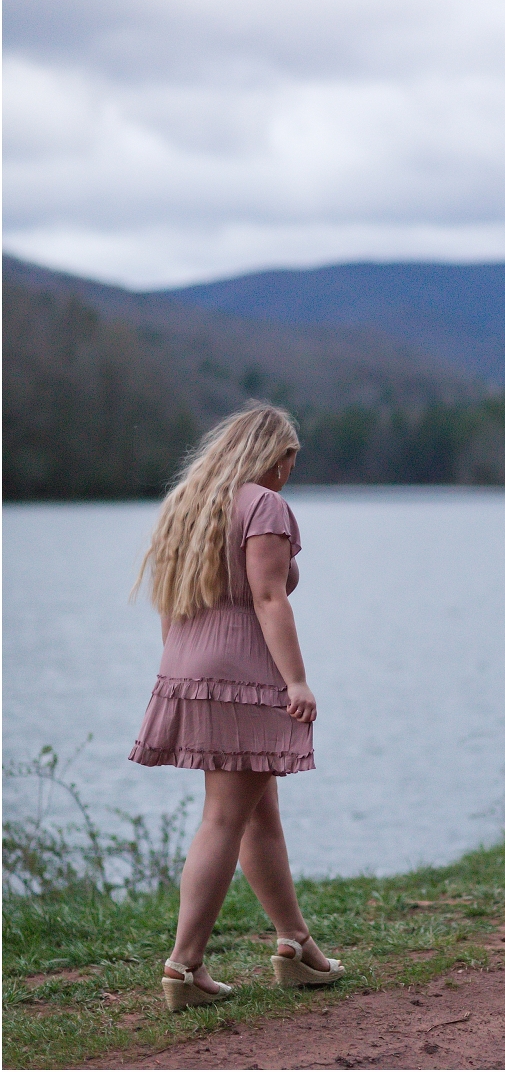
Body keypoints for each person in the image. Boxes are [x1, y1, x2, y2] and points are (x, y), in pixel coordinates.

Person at [129, 401, 344, 1012]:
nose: (290, 472)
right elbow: (270, 597)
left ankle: (296, 946)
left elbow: (173, 598)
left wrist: (181, 673)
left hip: (187, 663)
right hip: (244, 672)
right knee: (225, 818)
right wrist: (296, 681)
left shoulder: (188, 503)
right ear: (271, 455)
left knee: (256, 811)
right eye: (289, 459)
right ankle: (183, 966)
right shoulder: (263, 505)